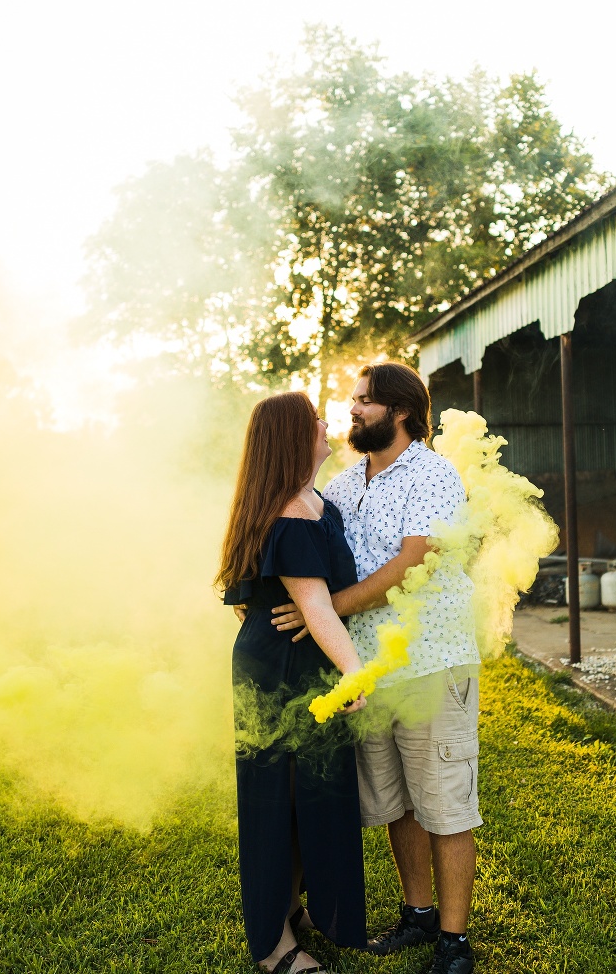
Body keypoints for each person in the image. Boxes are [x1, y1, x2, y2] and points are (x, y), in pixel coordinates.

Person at [272, 363, 481, 974]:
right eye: (354, 401)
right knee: (397, 802)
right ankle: (418, 916)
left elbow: (411, 564)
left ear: (401, 412)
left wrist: (322, 609)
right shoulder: (343, 483)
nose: (352, 411)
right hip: (366, 669)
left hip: (429, 661)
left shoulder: (434, 475)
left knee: (444, 801)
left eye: (364, 402)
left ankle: (454, 942)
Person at [216, 391, 367, 974]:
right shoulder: (292, 510)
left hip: (292, 660)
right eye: (315, 420)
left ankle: (294, 905)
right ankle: (273, 944)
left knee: (313, 796)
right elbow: (317, 606)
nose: (327, 424)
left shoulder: (307, 499)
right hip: (283, 672)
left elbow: (269, 599)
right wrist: (355, 670)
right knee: (276, 803)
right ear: (294, 437)